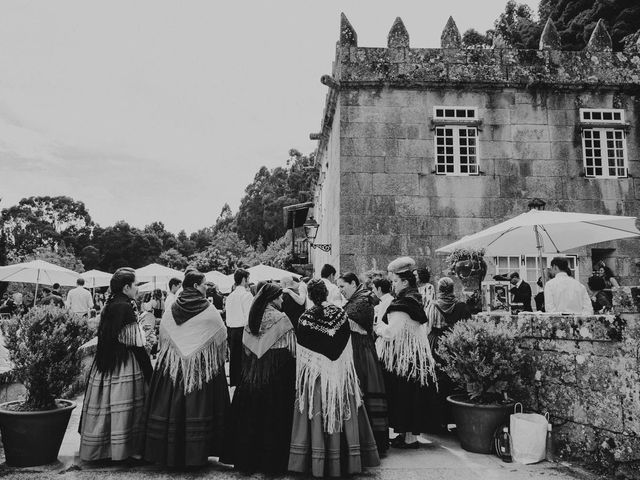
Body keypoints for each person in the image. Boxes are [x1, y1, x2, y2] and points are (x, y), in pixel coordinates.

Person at [288, 279, 380, 477]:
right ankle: (348, 460)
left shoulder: (305, 318)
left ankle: (317, 462)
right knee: (345, 412)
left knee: (317, 414)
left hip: (317, 378)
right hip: (340, 375)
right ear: (326, 294)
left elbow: (302, 354)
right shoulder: (340, 315)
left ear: (310, 296)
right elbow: (347, 346)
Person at [143, 268, 229, 467]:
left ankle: (170, 450)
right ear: (196, 286)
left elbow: (164, 331)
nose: (207, 287)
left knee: (171, 405)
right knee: (199, 407)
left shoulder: (172, 306)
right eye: (204, 284)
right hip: (200, 369)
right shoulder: (207, 308)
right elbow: (221, 332)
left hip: (174, 366)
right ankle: (197, 451)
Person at [221, 283, 296, 474]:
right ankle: (271, 463)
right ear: (272, 298)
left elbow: (247, 349)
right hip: (276, 376)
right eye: (279, 297)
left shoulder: (251, 319)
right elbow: (291, 349)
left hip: (252, 376)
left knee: (250, 420)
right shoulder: (281, 319)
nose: (282, 300)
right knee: (273, 420)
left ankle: (248, 461)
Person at [79, 268, 152, 461]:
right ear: (127, 287)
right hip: (124, 363)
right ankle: (125, 450)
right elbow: (135, 343)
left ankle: (103, 450)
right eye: (136, 284)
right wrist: (149, 371)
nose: (137, 288)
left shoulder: (110, 304)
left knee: (105, 407)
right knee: (126, 408)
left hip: (105, 363)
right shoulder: (125, 306)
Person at [375, 257, 438, 448]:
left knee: (405, 397)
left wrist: (377, 326)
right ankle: (406, 435)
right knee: (410, 397)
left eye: (395, 281)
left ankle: (409, 438)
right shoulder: (415, 299)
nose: (393, 285)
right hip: (414, 357)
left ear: (405, 282)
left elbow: (390, 332)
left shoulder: (402, 305)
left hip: (405, 359)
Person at [337, 272, 389, 454]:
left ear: (353, 283)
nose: (340, 290)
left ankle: (368, 441)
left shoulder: (363, 300)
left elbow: (346, 321)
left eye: (342, 286)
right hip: (356, 349)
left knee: (363, 390)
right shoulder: (359, 298)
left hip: (361, 351)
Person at [424, 277, 471, 430]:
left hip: (435, 343)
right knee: (454, 380)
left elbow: (428, 326)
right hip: (454, 342)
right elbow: (466, 327)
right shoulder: (461, 306)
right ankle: (455, 418)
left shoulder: (432, 305)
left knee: (436, 379)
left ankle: (437, 420)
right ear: (452, 289)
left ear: (439, 289)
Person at [225, 268, 253, 387]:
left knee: (234, 359)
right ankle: (244, 384)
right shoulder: (246, 295)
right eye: (248, 279)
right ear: (243, 279)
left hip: (231, 330)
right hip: (242, 330)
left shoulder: (230, 296)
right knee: (244, 360)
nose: (248, 281)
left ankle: (235, 382)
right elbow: (249, 318)